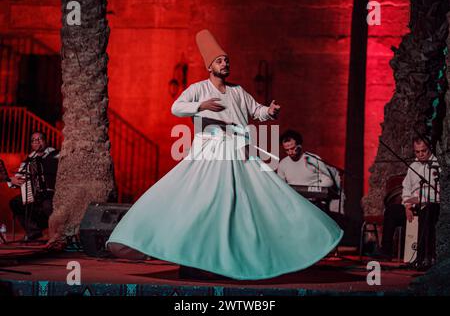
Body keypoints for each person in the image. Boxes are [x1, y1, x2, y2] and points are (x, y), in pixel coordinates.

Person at [107, 30, 343, 280]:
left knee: (253, 200)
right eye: (220, 60)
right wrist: (201, 106)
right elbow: (176, 108)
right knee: (202, 201)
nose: (225, 64)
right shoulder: (198, 89)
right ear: (210, 66)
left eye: (227, 60)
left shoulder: (238, 91)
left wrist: (270, 111)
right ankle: (197, 257)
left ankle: (241, 256)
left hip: (239, 153)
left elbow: (257, 111)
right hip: (209, 153)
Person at [380, 137, 440, 269]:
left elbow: (438, 191)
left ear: (429, 148)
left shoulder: (437, 165)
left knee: (426, 210)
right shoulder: (413, 166)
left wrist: (421, 200)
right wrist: (407, 205)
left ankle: (423, 257)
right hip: (413, 204)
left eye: (423, 151)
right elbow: (406, 187)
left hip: (429, 204)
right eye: (417, 152)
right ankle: (386, 252)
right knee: (391, 211)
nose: (420, 154)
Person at [7, 132, 59, 241]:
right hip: (35, 194)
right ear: (31, 144)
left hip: (52, 193)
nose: (37, 142)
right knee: (15, 202)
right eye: (33, 140)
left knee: (47, 206)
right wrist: (12, 179)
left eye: (40, 139)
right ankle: (33, 232)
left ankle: (58, 235)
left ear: (45, 141)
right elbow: (18, 178)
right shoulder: (29, 160)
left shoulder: (56, 154)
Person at [277, 129, 341, 212]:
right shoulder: (283, 164)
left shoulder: (313, 160)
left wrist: (312, 190)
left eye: (292, 148)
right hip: (293, 204)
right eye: (286, 150)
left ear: (299, 146)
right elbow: (280, 186)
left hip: (314, 203)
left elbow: (328, 181)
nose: (290, 152)